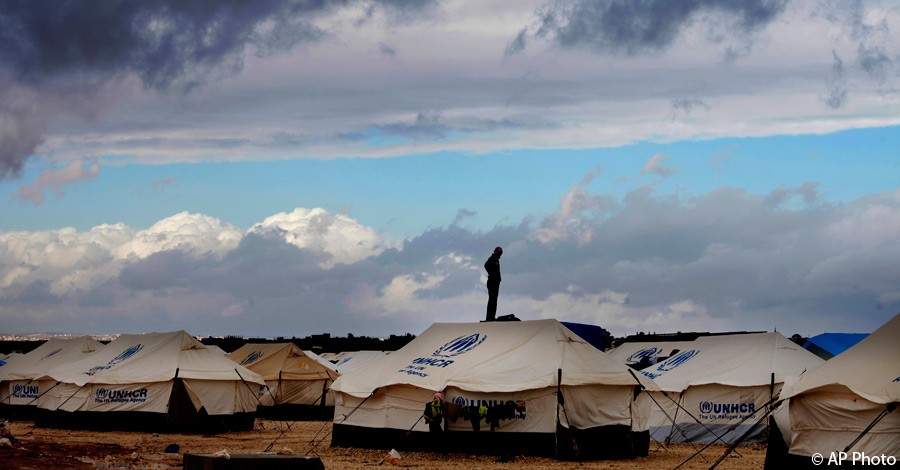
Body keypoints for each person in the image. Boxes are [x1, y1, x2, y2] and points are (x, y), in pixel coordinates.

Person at [484, 246, 502, 321]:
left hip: (496, 282)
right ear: (496, 252)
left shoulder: (496, 259)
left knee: (494, 300)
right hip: (492, 282)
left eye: (500, 253)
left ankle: (491, 317)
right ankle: (489, 317)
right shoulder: (492, 258)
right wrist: (491, 274)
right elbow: (486, 265)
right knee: (492, 299)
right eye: (499, 253)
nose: (500, 255)